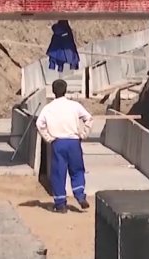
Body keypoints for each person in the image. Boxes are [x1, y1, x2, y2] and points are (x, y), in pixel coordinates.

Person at [35, 78, 94, 213]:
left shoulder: (48, 108)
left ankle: (60, 204)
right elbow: (89, 118)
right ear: (66, 90)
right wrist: (83, 134)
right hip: (73, 142)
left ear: (53, 91)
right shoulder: (74, 105)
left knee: (58, 173)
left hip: (58, 142)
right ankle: (80, 195)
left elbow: (39, 124)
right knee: (77, 170)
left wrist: (49, 138)